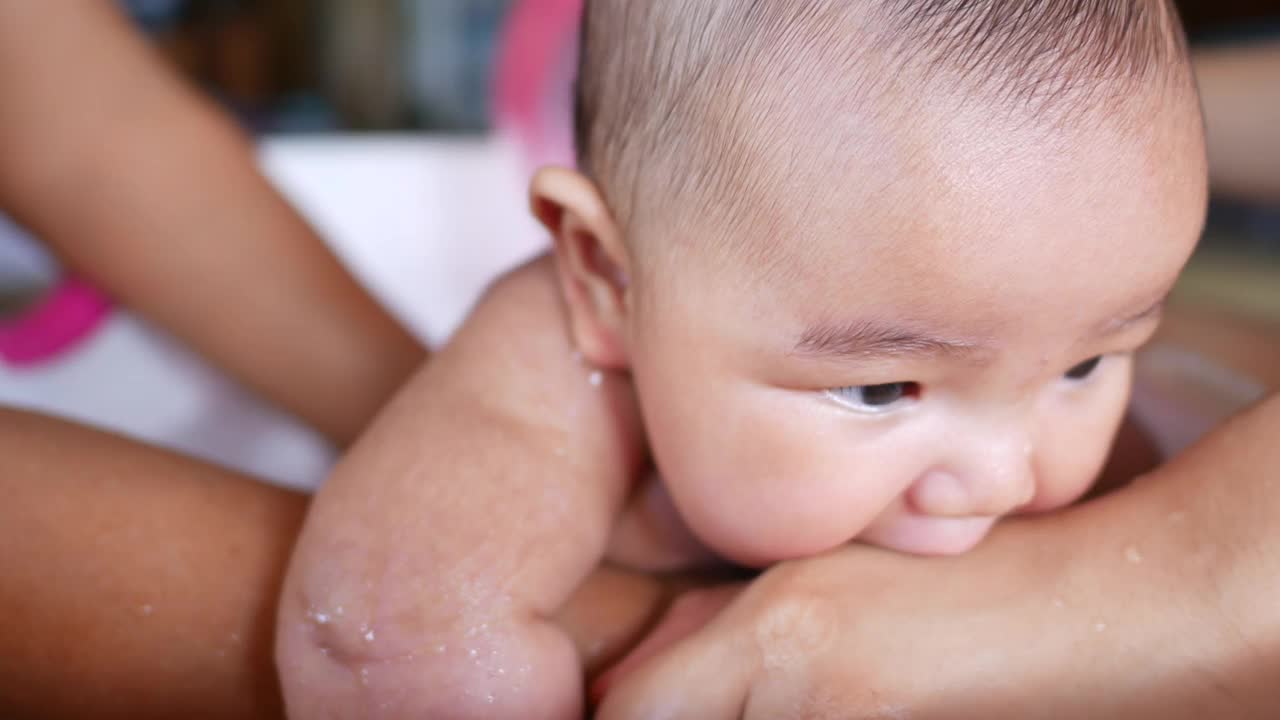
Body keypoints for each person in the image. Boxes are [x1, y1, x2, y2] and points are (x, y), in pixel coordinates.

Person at [278, 1, 1257, 718]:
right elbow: (389, 633)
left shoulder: (1053, 408)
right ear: (606, 281)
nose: (1005, 476)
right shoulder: (542, 380)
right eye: (881, 387)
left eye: (1087, 364)